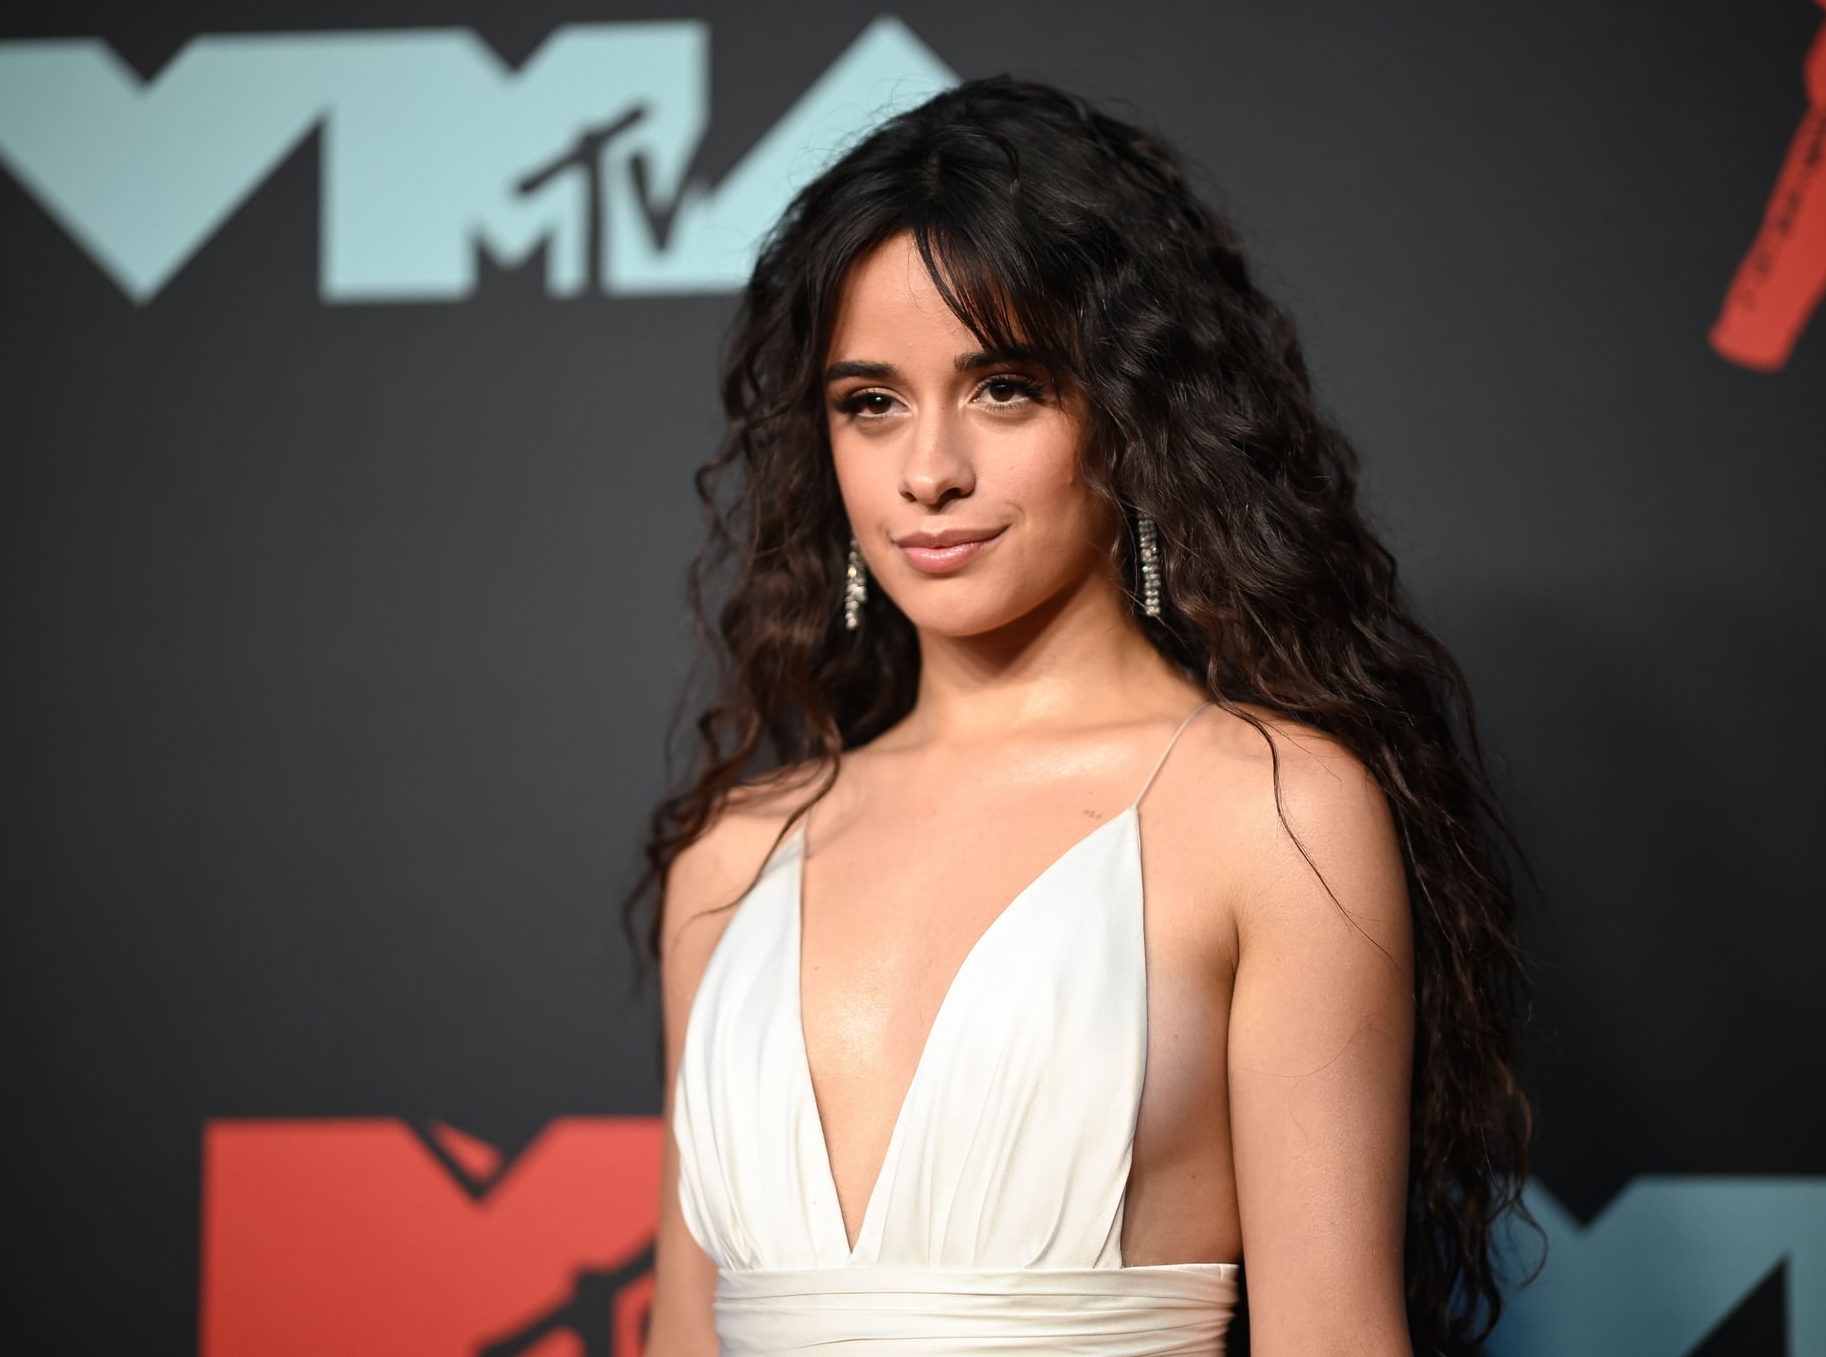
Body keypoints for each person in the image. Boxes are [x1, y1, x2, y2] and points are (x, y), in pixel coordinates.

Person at [626, 75, 1539, 1357]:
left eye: (1003, 387)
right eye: (869, 401)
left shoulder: (1269, 811)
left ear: (1129, 410)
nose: (929, 470)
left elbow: (1331, 1335)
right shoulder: (731, 861)